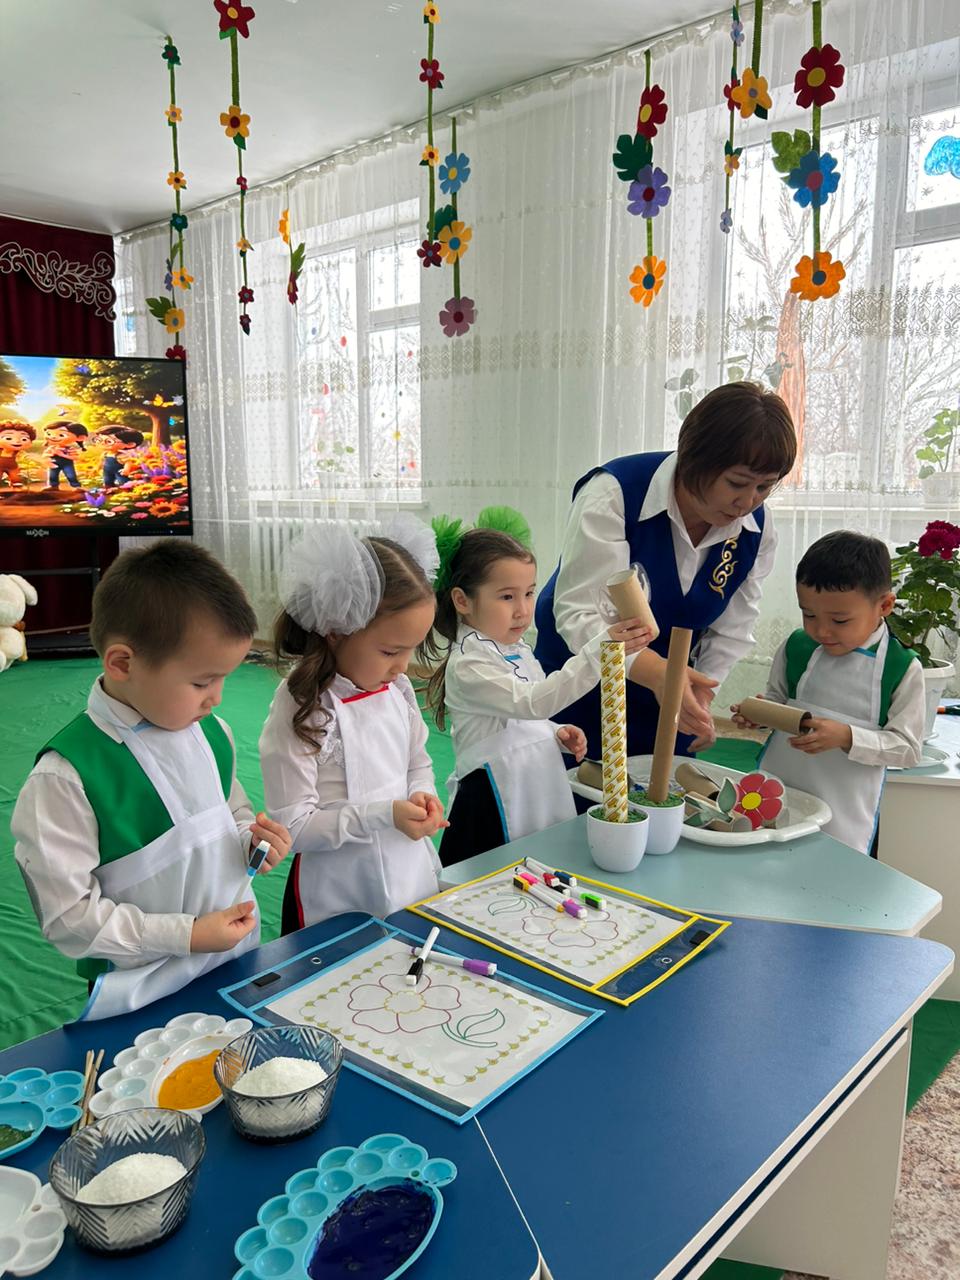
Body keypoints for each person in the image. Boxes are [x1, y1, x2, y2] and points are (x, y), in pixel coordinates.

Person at [12, 541, 291, 1020]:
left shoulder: (212, 733)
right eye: (201, 682)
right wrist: (186, 935)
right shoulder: (67, 778)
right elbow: (69, 918)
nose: (217, 698)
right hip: (139, 994)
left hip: (232, 965)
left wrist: (251, 841)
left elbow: (232, 813)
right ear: (123, 664)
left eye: (223, 678)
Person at [535, 381, 797, 760]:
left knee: (662, 790)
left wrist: (700, 695)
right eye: (737, 483)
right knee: (573, 787)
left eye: (765, 487)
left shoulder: (756, 528)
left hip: (666, 697)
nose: (747, 501)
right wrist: (660, 674)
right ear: (694, 459)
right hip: (578, 685)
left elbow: (732, 630)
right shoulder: (615, 493)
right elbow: (580, 614)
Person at [422, 508, 653, 865]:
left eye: (529, 593)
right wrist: (599, 651)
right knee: (490, 875)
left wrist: (554, 731)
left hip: (535, 784)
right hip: (494, 795)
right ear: (462, 600)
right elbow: (532, 702)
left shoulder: (515, 649)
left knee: (540, 866)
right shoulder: (469, 664)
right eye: (507, 596)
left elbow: (524, 715)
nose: (523, 610)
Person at [260, 516, 446, 931]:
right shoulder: (302, 706)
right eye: (390, 651)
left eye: (412, 649)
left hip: (407, 872)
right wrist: (383, 815)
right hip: (333, 893)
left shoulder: (396, 690)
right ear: (336, 630)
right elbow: (293, 827)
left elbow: (418, 763)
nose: (403, 667)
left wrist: (423, 793)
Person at [732, 531, 924, 854]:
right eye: (809, 614)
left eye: (840, 620)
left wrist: (847, 736)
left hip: (843, 811)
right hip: (781, 790)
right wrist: (762, 715)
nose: (821, 630)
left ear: (884, 605)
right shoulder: (797, 647)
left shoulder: (901, 668)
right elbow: (779, 700)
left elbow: (907, 749)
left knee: (829, 871)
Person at [42, 420, 88, 489]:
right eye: (49, 434)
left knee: (71, 475)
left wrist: (62, 455)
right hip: (54, 463)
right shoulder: (52, 448)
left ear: (79, 438)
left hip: (67, 464)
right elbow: (45, 455)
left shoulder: (70, 448)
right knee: (52, 475)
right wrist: (49, 457)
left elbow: (75, 458)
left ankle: (76, 486)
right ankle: (53, 486)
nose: (53, 437)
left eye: (61, 435)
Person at [0, 422, 35, 488]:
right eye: (8, 438)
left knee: (16, 480)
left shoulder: (17, 452)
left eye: (24, 439)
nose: (17, 441)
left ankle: (16, 491)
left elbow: (23, 457)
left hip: (13, 467)